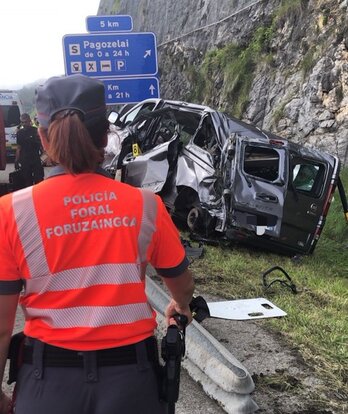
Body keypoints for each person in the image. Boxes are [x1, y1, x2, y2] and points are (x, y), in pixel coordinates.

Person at [0, 74, 195, 414]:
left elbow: (2, 326)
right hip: (132, 384)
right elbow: (181, 282)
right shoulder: (146, 205)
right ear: (105, 135)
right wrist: (179, 305)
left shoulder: (10, 212)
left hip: (46, 385)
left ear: (43, 138)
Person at [14, 113, 44, 187]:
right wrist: (16, 161)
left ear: (29, 121)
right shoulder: (20, 133)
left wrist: (44, 158)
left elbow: (42, 146)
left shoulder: (36, 131)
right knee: (27, 181)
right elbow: (19, 147)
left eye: (25, 122)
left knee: (39, 180)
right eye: (22, 122)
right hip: (25, 160)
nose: (24, 124)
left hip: (35, 159)